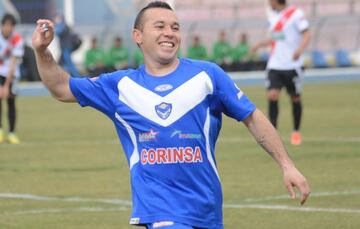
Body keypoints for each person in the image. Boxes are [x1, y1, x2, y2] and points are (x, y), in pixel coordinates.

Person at [32, 1, 310, 228]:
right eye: (160, 26)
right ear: (138, 36)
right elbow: (61, 87)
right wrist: (42, 51)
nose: (170, 32)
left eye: (175, 27)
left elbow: (253, 117)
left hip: (206, 208)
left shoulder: (207, 75)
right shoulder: (119, 85)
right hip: (158, 209)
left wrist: (287, 165)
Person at [251, 0, 311, 145]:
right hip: (275, 65)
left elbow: (307, 34)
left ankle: (296, 132)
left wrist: (300, 50)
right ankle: (273, 133)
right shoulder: (274, 17)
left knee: (295, 98)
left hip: (292, 65)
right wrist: (260, 44)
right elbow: (277, 39)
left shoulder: (296, 14)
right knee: (272, 95)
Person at [0, 13, 24, 144]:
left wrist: (5, 86)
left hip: (12, 75)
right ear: (2, 25)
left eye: (11, 26)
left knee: (11, 102)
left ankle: (12, 132)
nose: (8, 28)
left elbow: (13, 63)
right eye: (6, 25)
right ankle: (0, 131)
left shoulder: (17, 39)